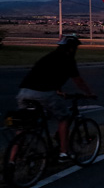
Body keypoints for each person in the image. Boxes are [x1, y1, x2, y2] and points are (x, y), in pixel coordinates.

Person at [15, 34, 95, 162]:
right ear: (71, 48)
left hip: (24, 92)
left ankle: (12, 159)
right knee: (64, 118)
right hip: (43, 93)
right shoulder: (68, 60)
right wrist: (89, 93)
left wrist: (58, 90)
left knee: (23, 125)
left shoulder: (48, 57)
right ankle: (63, 153)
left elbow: (49, 75)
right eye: (75, 48)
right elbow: (78, 81)